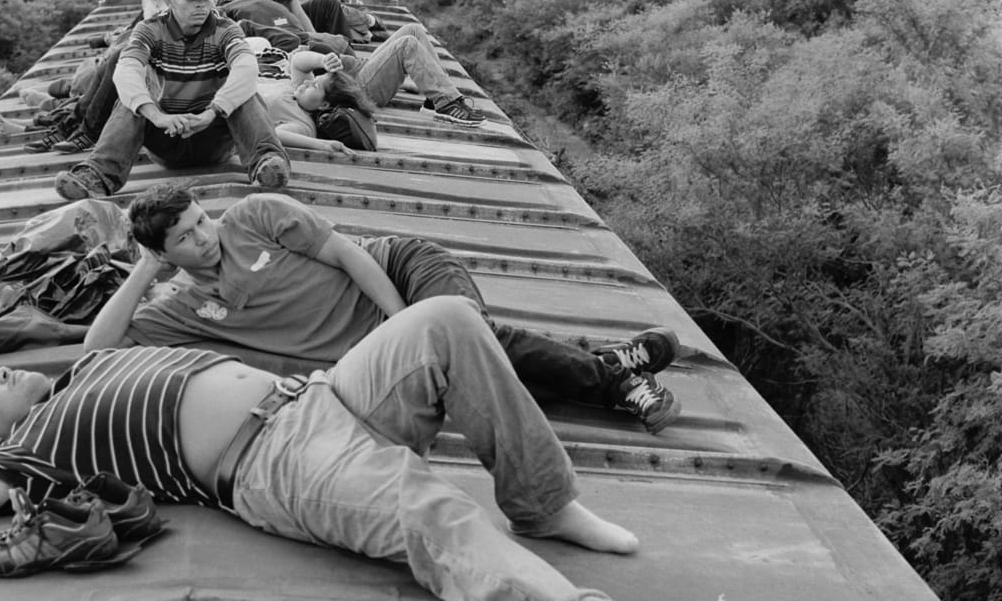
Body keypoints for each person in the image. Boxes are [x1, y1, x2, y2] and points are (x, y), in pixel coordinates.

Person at [0, 296, 731, 601]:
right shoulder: (27, 451)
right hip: (271, 462)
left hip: (320, 396)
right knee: (428, 512)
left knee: (447, 321)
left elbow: (114, 317)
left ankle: (544, 502)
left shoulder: (88, 368)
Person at [85, 184, 681, 433]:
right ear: (162, 253)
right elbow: (98, 349)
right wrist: (145, 270)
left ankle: (619, 384)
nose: (204, 236)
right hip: (381, 348)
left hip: (401, 271)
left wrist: (402, 322)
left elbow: (348, 255)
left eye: (200, 220)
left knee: (464, 338)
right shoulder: (182, 305)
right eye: (185, 238)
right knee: (468, 379)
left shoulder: (253, 216)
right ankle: (604, 360)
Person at [53, 0, 291, 201]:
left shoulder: (225, 29)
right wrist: (156, 115)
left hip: (212, 136)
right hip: (166, 134)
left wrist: (212, 112)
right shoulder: (149, 30)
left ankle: (267, 164)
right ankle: (96, 176)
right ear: (169, 0)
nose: (202, 5)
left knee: (246, 95)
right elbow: (126, 71)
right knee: (130, 102)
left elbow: (246, 67)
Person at [29, 0, 180, 155]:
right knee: (109, 64)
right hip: (148, 55)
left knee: (118, 59)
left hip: (173, 63)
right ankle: (70, 126)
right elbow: (143, 22)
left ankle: (89, 132)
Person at [288, 23, 485, 127]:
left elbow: (297, 59)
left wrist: (322, 60)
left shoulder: (299, 84)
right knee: (407, 45)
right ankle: (446, 102)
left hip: (359, 68)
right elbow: (297, 60)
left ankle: (433, 101)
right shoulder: (301, 94)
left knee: (413, 30)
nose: (304, 85)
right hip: (360, 89)